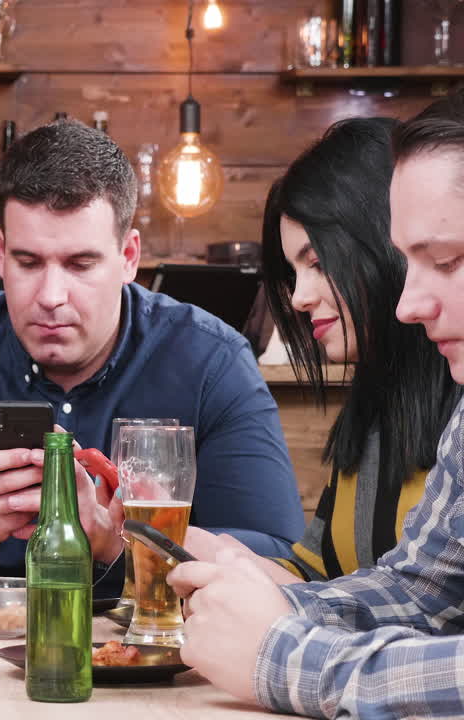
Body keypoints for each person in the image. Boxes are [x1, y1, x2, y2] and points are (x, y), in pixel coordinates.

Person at [0, 120, 303, 585]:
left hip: (159, 655)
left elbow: (276, 560)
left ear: (129, 256)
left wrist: (119, 542)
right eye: (28, 262)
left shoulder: (210, 361)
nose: (52, 295)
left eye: (80, 264)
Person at [169, 93, 464, 719]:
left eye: (444, 260)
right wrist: (244, 589)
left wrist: (279, 649)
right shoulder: (400, 418)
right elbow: (418, 592)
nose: (411, 303)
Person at [185, 118, 461, 581]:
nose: (298, 298)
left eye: (316, 263)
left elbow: (406, 608)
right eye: (293, 273)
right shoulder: (373, 415)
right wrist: (217, 558)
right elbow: (320, 579)